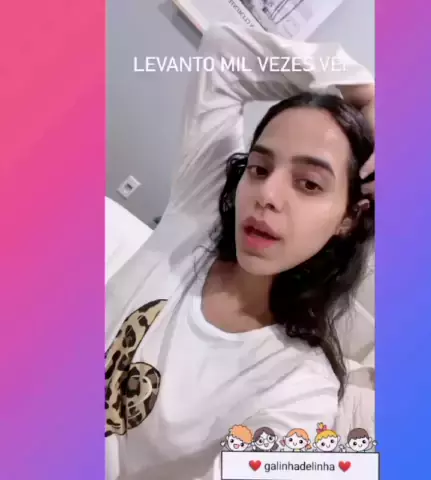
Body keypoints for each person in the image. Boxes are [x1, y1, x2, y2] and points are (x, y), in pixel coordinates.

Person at [105, 22, 375, 480]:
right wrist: (365, 91)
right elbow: (224, 52)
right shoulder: (200, 213)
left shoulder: (299, 389)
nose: (266, 194)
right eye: (259, 167)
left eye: (309, 184)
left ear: (349, 217)